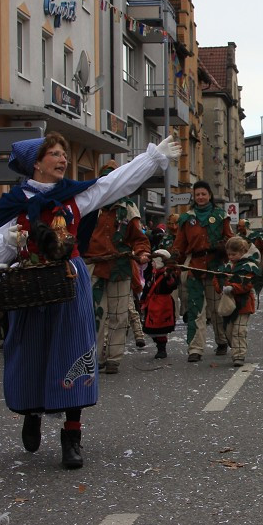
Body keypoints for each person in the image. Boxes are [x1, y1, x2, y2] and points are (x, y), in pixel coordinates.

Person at [0, 131, 179, 469]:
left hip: (69, 281)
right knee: (30, 351)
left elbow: (115, 183)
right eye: (55, 154)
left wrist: (151, 159)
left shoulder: (73, 197)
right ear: (36, 164)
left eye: (64, 154)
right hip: (31, 283)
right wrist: (16, 242)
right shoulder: (14, 203)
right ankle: (32, 410)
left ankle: (72, 434)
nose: (63, 160)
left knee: (74, 350)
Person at [84, 160, 151, 374]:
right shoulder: (90, 205)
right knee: (94, 314)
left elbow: (139, 238)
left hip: (119, 267)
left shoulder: (128, 208)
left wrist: (142, 252)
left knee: (119, 315)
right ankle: (95, 357)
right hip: (93, 266)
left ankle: (113, 358)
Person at [172, 180, 233, 362]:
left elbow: (231, 240)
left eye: (203, 194)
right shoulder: (186, 218)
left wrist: (225, 250)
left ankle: (222, 340)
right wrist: (173, 260)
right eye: (197, 194)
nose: (200, 197)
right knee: (196, 309)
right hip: (194, 267)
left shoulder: (221, 216)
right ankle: (195, 348)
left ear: (209, 195)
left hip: (215, 267)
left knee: (216, 308)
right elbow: (179, 245)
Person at [218, 236, 262, 367]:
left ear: (243, 252)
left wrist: (233, 287)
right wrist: (219, 284)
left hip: (243, 304)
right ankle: (236, 347)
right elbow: (218, 279)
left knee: (239, 330)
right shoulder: (227, 266)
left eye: (234, 254)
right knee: (229, 330)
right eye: (229, 254)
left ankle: (239, 355)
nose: (231, 257)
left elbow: (248, 284)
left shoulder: (249, 266)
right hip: (229, 303)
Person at [140, 249, 178, 359]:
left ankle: (162, 348)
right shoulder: (152, 274)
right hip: (152, 303)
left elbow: (173, 285)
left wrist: (169, 277)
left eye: (154, 261)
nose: (152, 263)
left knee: (161, 327)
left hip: (163, 303)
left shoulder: (168, 274)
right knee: (151, 327)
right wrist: (142, 300)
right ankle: (159, 344)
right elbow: (147, 288)